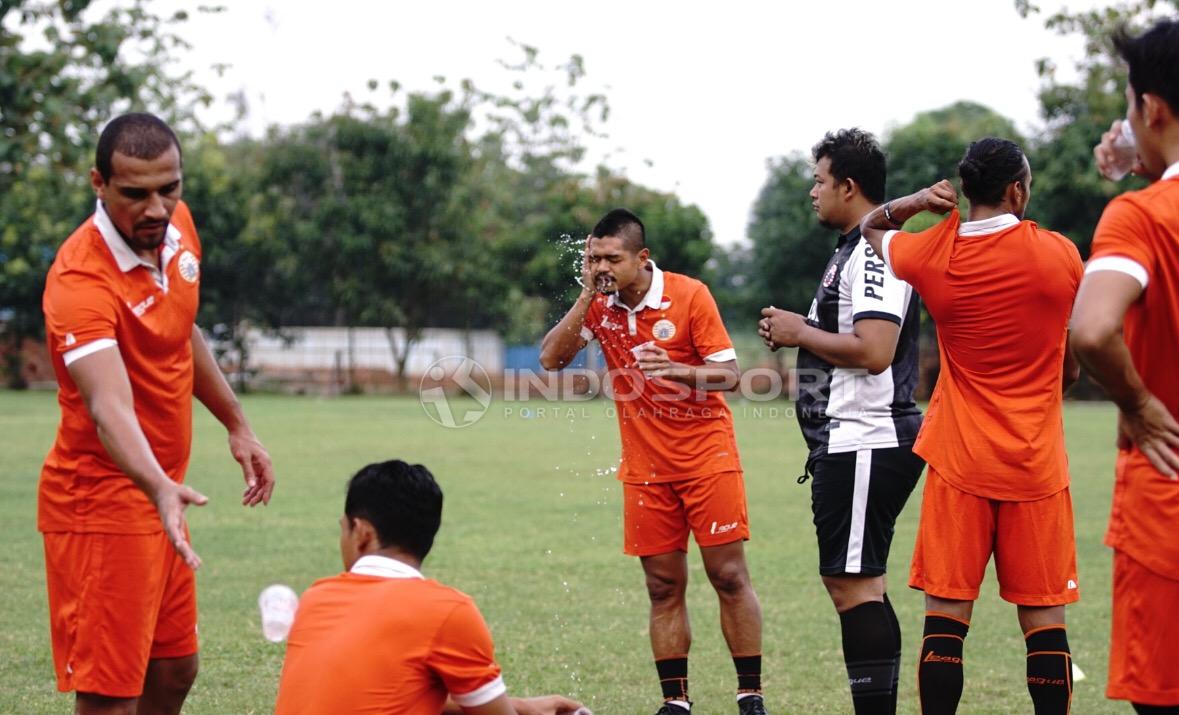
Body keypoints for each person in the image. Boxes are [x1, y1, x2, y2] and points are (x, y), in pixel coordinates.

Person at [39, 112, 276, 715]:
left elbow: (181, 331)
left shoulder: (177, 228)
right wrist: (158, 485)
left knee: (173, 669)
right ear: (99, 183)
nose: (156, 208)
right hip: (102, 503)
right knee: (112, 696)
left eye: (169, 189)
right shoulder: (80, 281)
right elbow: (107, 404)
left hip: (159, 495)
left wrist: (237, 424)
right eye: (135, 194)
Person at [860, 138, 1083, 715]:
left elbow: (869, 227)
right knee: (1044, 621)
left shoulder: (934, 252)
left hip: (959, 463)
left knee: (946, 619)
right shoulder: (1060, 255)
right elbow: (1076, 356)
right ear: (1016, 189)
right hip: (1037, 466)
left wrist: (912, 204)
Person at [539, 209, 767, 715]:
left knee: (728, 576)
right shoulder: (599, 307)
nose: (601, 266)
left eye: (611, 258)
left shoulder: (689, 295)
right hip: (645, 469)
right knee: (662, 586)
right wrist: (585, 297)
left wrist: (677, 370)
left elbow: (729, 375)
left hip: (708, 458)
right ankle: (676, 701)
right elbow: (552, 358)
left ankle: (750, 694)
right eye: (592, 257)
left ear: (641, 258)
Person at [757, 128, 923, 714]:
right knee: (856, 584)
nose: (812, 191)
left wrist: (800, 333)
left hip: (868, 437)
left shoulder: (876, 252)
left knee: (855, 586)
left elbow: (875, 349)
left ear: (848, 186)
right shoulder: (852, 249)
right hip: (851, 441)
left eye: (820, 181)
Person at [1071, 18, 1179, 713]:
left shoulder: (1141, 217)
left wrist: (1139, 404)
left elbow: (1092, 328)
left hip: (1175, 501)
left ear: (1151, 107)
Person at [275, 460, 585, 715]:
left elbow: (393, 694)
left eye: (342, 529)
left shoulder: (316, 596)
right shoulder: (447, 612)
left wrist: (522, 707)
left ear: (362, 532)